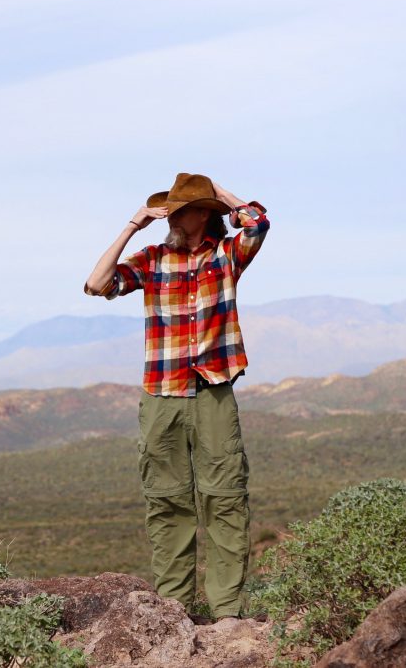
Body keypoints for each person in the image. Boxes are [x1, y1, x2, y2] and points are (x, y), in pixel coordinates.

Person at [83, 172, 270, 620]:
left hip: (213, 391)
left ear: (201, 215)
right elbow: (96, 284)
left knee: (224, 497)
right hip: (162, 395)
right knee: (166, 501)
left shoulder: (226, 256)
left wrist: (221, 195)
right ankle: (175, 609)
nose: (169, 216)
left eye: (179, 209)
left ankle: (227, 611)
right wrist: (133, 225)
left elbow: (258, 224)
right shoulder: (152, 258)